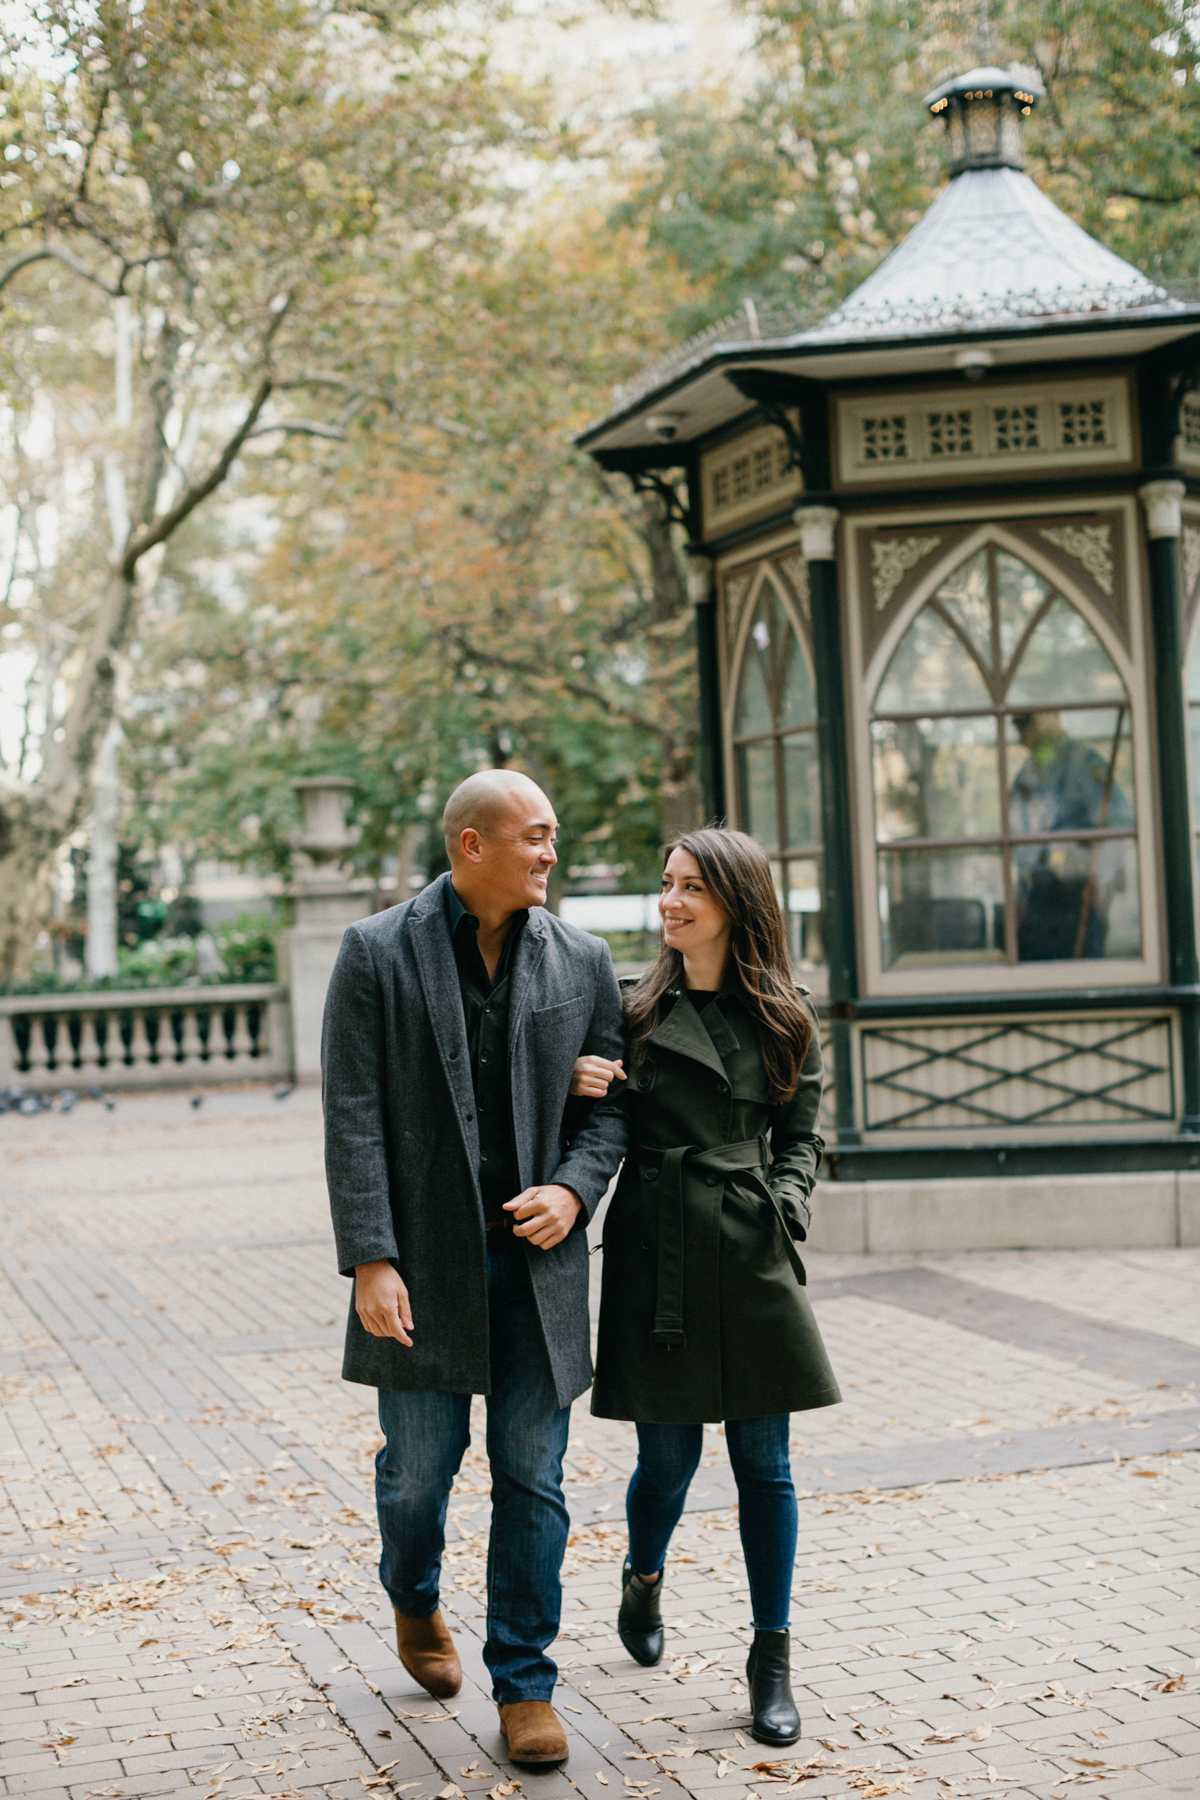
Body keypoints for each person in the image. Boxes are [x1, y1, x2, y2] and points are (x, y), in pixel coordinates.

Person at [321, 770, 627, 1766]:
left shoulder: (583, 959)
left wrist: (576, 1190)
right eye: (533, 836)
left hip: (539, 1278)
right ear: (471, 846)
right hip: (420, 1274)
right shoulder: (374, 953)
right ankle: (412, 1598)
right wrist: (371, 1259)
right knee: (417, 1477)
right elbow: (354, 1112)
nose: (550, 853)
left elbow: (613, 1103)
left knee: (532, 1480)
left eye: (553, 836)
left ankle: (526, 1685)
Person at [569, 828, 840, 1748]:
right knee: (670, 1463)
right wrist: (579, 1088)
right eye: (665, 884)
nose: (671, 901)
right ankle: (644, 1575)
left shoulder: (789, 1015)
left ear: (735, 901)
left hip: (750, 1250)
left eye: (690, 887)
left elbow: (801, 1137)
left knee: (767, 1468)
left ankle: (771, 1660)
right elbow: (596, 1120)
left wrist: (786, 1208)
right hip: (660, 1253)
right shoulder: (631, 1008)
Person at [1009, 710, 1133, 961]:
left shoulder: (1083, 763)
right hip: (1040, 896)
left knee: (1083, 968)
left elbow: (1119, 825)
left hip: (1079, 889)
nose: (1021, 734)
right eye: (1017, 724)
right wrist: (1020, 898)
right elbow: (1022, 847)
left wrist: (1100, 878)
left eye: (1025, 723)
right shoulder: (1026, 776)